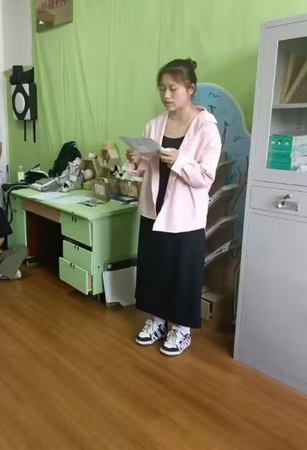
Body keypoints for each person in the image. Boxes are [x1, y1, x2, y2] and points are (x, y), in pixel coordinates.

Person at [126, 58, 221, 356]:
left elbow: (205, 177)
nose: (166, 95)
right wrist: (137, 159)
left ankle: (181, 328)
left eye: (173, 88)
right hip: (153, 210)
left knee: (181, 273)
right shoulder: (155, 124)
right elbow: (147, 168)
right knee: (154, 268)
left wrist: (179, 160)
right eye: (162, 89)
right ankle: (157, 320)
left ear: (190, 89)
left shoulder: (206, 128)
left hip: (184, 216)